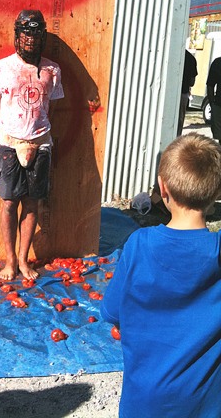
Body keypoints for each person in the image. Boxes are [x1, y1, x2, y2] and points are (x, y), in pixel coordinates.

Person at [101, 132, 221, 418]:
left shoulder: (139, 244)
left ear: (162, 187)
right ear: (217, 194)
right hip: (205, 404)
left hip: (144, 402)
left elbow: (111, 310)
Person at [0, 9, 64, 281]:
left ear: (42, 37)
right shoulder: (2, 67)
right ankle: (9, 261)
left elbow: (49, 108)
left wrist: (34, 134)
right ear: (18, 36)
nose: (30, 39)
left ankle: (23, 259)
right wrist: (15, 132)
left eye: (36, 33)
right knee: (8, 202)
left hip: (41, 144)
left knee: (32, 204)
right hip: (8, 143)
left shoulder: (52, 70)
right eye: (26, 33)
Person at [177, 49, 197, 135]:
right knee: (179, 120)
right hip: (183, 92)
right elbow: (192, 82)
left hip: (166, 93)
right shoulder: (191, 58)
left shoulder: (172, 53)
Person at [207, 56, 221, 143]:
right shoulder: (218, 63)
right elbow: (210, 85)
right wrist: (212, 104)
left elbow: (210, 85)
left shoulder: (218, 62)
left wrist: (212, 104)